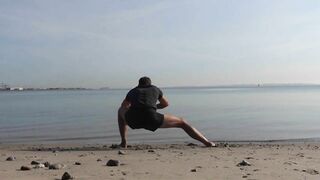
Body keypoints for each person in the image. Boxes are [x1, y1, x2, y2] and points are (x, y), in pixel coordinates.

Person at [117, 76, 215, 147]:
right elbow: (165, 104)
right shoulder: (155, 89)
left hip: (134, 120)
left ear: (138, 84)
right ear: (150, 83)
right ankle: (207, 142)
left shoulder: (133, 91)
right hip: (152, 118)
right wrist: (153, 106)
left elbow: (124, 106)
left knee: (120, 111)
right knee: (182, 122)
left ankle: (123, 142)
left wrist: (135, 108)